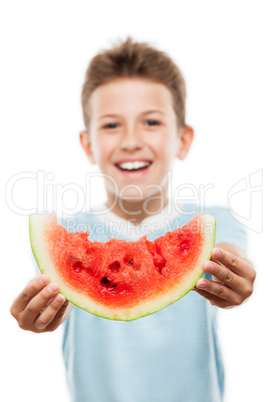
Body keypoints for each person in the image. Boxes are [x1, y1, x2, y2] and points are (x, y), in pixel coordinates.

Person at [10, 36, 256, 402]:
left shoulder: (216, 221)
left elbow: (227, 252)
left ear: (183, 140)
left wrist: (232, 275)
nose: (130, 141)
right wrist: (42, 315)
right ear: (88, 145)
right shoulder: (69, 234)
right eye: (111, 125)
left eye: (151, 122)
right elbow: (54, 294)